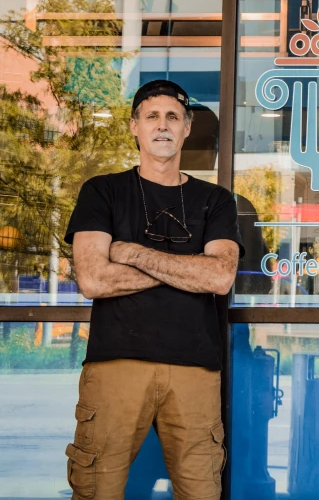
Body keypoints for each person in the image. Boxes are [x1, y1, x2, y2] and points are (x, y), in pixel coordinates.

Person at [63, 79, 243, 500]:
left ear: (186, 128)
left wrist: (131, 253)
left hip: (195, 369)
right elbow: (93, 279)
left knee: (201, 491)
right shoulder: (102, 191)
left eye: (173, 117)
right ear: (135, 126)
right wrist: (188, 267)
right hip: (116, 365)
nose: (163, 125)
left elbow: (219, 278)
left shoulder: (216, 200)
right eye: (152, 116)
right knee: (97, 489)